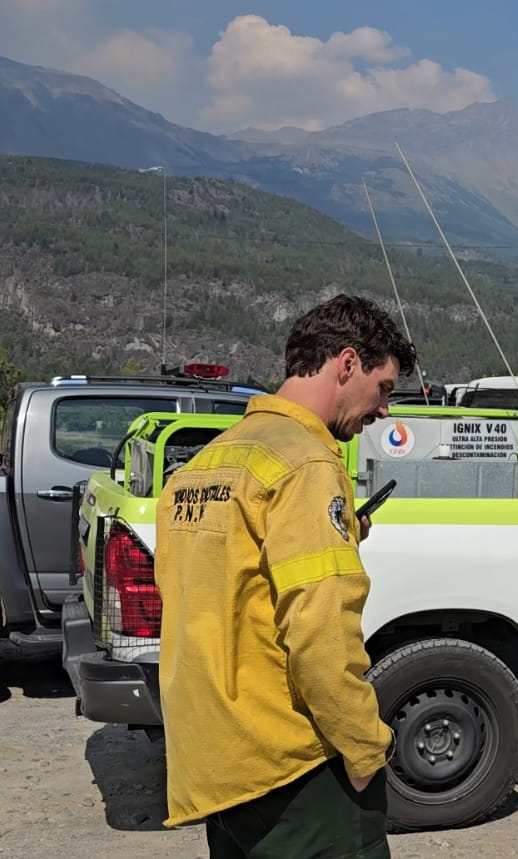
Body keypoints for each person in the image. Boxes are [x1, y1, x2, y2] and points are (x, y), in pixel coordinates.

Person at [153, 293, 418, 858]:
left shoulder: (201, 467)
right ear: (347, 363)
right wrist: (368, 749)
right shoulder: (307, 464)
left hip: (217, 766)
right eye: (384, 389)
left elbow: (208, 597)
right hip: (295, 770)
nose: (383, 412)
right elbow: (320, 633)